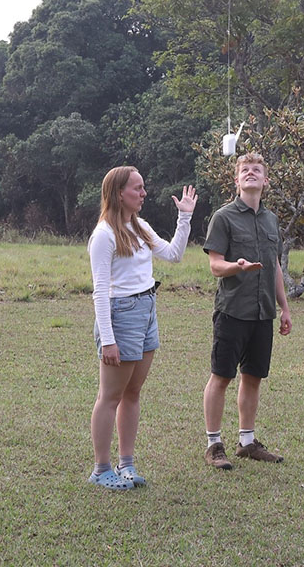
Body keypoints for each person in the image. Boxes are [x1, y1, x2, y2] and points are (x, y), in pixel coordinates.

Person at [88, 165, 197, 490]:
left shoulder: (139, 226)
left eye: (143, 187)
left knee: (132, 393)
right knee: (110, 396)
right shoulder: (104, 235)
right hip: (122, 315)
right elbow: (100, 291)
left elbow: (174, 255)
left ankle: (127, 464)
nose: (144, 193)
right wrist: (108, 340)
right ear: (119, 193)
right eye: (138, 188)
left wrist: (185, 217)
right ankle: (101, 468)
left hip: (147, 309)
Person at [202, 152, 291, 469]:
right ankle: (214, 445)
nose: (251, 173)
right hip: (232, 311)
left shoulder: (271, 220)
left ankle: (247, 442)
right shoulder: (223, 217)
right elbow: (214, 265)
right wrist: (234, 266)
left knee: (253, 377)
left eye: (257, 170)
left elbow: (275, 265)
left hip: (262, 313)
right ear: (236, 180)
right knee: (221, 377)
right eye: (245, 170)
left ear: (265, 180)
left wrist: (284, 307)